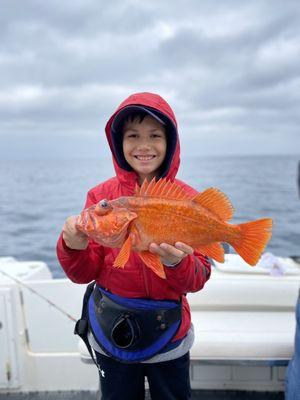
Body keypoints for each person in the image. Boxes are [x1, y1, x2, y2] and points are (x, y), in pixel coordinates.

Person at [56, 92, 211, 400]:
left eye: (155, 135)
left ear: (171, 142)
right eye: (133, 136)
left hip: (170, 334)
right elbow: (83, 273)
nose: (144, 145)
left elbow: (197, 279)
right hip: (111, 330)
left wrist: (176, 263)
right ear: (118, 143)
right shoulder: (101, 196)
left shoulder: (189, 200)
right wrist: (72, 246)